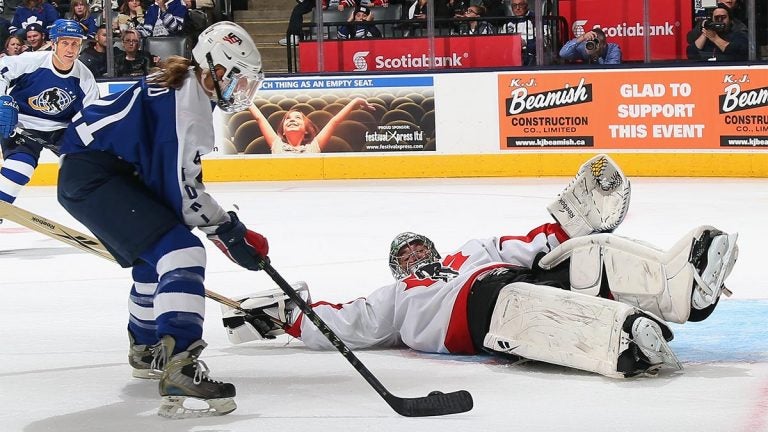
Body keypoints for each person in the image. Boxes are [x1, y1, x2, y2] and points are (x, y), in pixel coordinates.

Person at [222, 154, 739, 379]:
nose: (411, 257)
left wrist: (569, 229)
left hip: (509, 280)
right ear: (395, 267)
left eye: (415, 247)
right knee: (525, 308)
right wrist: (288, 314)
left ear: (432, 245)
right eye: (401, 256)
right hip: (478, 316)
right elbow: (340, 320)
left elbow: (529, 243)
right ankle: (625, 337)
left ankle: (682, 289)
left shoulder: (469, 251)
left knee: (586, 261)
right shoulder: (396, 296)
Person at [55, 21, 267, 419]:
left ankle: (147, 347)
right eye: (237, 80)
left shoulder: (183, 86)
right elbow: (184, 196)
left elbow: (173, 186)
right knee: (183, 252)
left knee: (157, 257)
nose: (241, 91)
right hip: (96, 178)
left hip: (103, 171)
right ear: (213, 69)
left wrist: (224, 229)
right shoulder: (186, 111)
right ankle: (180, 364)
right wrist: (229, 231)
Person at [0, 19, 98, 208]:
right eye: (65, 43)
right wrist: (2, 99)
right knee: (21, 166)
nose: (70, 49)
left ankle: (104, 217)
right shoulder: (32, 61)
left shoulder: (85, 78)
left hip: (62, 131)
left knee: (83, 172)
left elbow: (91, 117)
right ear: (53, 44)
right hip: (22, 125)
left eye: (75, 44)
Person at [248, 97, 375, 154]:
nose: (292, 120)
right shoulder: (277, 145)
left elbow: (334, 122)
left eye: (298, 118)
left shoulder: (313, 147)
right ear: (284, 132)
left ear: (306, 131)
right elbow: (259, 118)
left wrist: (355, 101)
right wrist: (243, 98)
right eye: (287, 119)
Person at [500, 0, 546, 65]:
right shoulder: (508, 22)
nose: (517, 8)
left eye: (521, 5)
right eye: (514, 6)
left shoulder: (536, 20)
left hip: (532, 57)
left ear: (526, 6)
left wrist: (525, 43)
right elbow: (502, 41)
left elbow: (545, 41)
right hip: (511, 57)